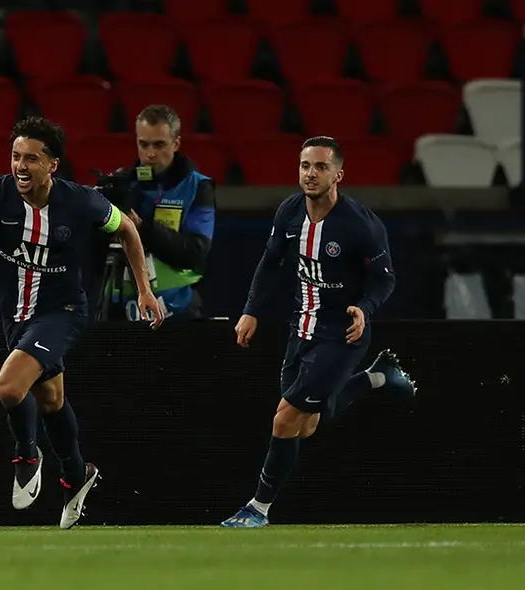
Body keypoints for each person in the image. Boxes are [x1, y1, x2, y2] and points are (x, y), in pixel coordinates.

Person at [0, 117, 164, 529]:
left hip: (64, 313)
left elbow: (126, 229)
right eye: (16, 156)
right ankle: (76, 475)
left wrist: (144, 288)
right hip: (17, 318)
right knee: (52, 400)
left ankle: (26, 455)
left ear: (52, 165)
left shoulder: (80, 202)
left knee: (9, 386)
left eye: (32, 159)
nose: (21, 165)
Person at [220, 136, 417, 528]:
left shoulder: (360, 225)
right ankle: (379, 378)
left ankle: (258, 509)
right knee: (305, 425)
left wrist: (364, 308)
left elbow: (384, 279)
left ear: (338, 174)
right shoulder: (289, 212)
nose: (311, 174)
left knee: (284, 421)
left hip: (342, 336)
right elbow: (270, 262)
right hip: (302, 329)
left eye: (321, 167)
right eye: (305, 166)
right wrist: (251, 311)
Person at [102, 104, 216, 321]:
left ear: (176, 143)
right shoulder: (121, 187)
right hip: (120, 311)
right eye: (143, 144)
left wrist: (142, 228)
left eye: (159, 144)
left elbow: (195, 251)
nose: (150, 153)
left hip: (178, 310)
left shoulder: (198, 187)